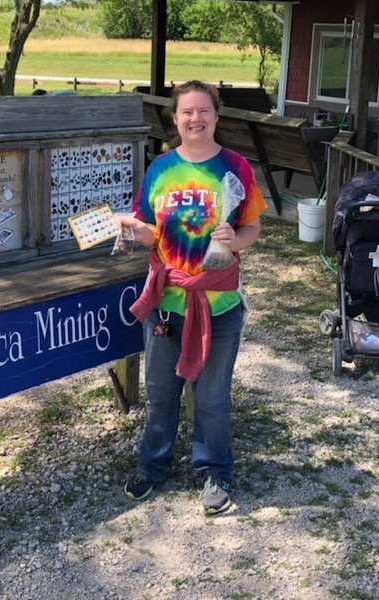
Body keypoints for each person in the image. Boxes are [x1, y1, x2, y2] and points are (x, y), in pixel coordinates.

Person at [116, 80, 266, 515]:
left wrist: (234, 240)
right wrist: (132, 230)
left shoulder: (234, 167)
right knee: (161, 392)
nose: (195, 119)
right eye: (187, 112)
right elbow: (149, 230)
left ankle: (214, 471)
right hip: (167, 305)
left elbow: (253, 227)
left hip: (218, 304)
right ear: (175, 119)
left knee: (212, 398)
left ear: (216, 117)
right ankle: (154, 464)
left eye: (204, 111)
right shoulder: (160, 169)